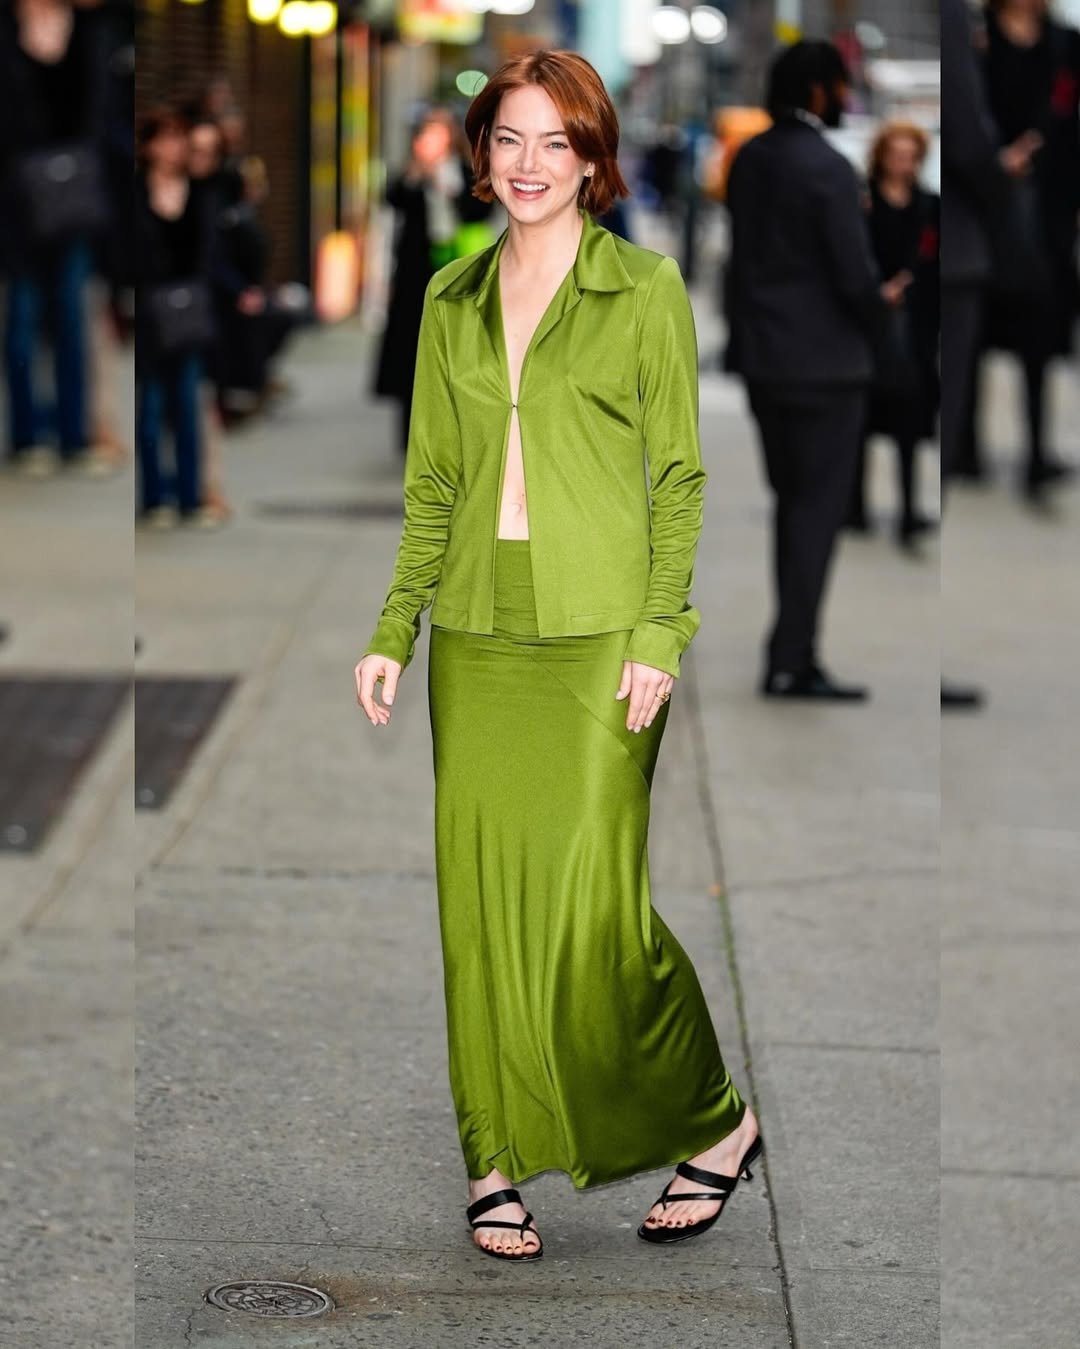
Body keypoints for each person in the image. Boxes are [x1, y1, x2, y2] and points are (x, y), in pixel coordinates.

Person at [355, 49, 761, 1262]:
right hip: (480, 636)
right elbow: (433, 484)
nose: (530, 163)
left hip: (602, 637)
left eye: (557, 142)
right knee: (479, 907)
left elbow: (679, 476)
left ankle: (716, 1118)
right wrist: (393, 629)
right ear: (481, 154)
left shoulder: (645, 288)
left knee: (597, 917)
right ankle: (491, 1163)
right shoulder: (450, 298)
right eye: (510, 138)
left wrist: (660, 631)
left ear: (593, 161)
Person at [724, 40, 890, 702]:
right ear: (820, 89)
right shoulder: (828, 167)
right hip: (827, 365)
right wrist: (884, 319)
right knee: (815, 513)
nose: (845, 96)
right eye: (840, 85)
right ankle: (793, 657)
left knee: (792, 505)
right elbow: (854, 273)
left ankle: (788, 651)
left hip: (766, 360)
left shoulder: (750, 159)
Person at [966, 0, 1080, 498]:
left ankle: (1036, 452)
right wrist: (996, 163)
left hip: (1050, 213)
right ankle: (967, 447)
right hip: (988, 208)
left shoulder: (1065, 43)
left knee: (1041, 335)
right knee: (975, 335)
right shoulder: (978, 37)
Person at [0, 0, 108, 476]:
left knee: (70, 317)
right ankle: (28, 437)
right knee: (22, 318)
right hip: (15, 205)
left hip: (72, 201)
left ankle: (74, 436)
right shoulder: (6, 29)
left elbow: (102, 117)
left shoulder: (87, 29)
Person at [372, 107, 495, 454]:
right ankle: (411, 435)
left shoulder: (463, 171)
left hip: (458, 270)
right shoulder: (413, 172)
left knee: (457, 351)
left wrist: (450, 191)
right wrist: (416, 175)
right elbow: (393, 200)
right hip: (415, 276)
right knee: (412, 351)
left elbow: (481, 209)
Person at [846, 121, 941, 551]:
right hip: (870, 329)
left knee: (909, 423)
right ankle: (856, 507)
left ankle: (908, 511)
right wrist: (876, 292)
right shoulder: (862, 203)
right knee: (862, 422)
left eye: (910, 156)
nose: (903, 163)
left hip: (914, 333)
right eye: (895, 155)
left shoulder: (929, 206)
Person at [134, 107, 220, 528]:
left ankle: (190, 497)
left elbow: (209, 254)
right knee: (150, 409)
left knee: (187, 407)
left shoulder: (200, 193)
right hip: (148, 315)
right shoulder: (135, 192)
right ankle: (155, 498)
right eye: (164, 138)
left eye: (177, 138)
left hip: (187, 317)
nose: (172, 147)